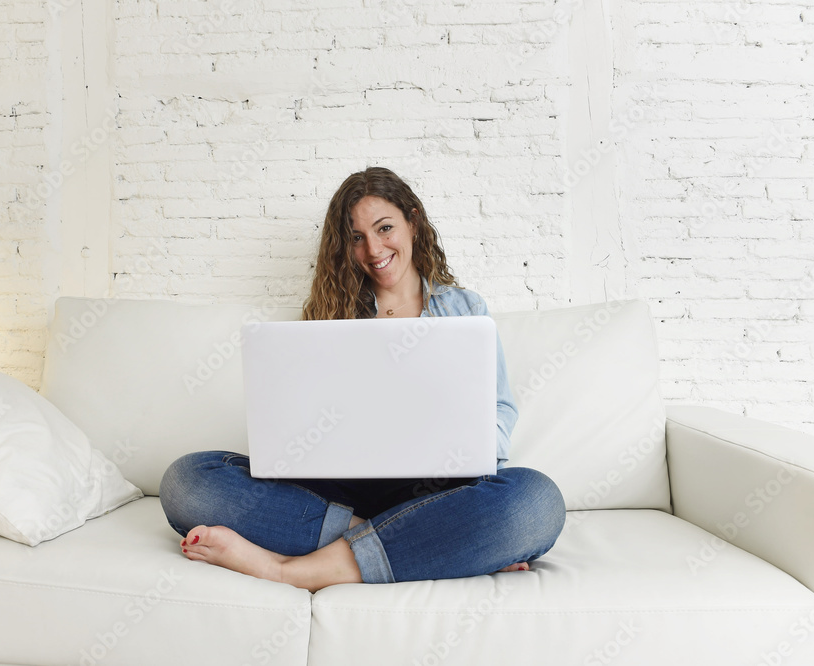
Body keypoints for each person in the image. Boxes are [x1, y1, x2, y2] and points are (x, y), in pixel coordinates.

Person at [159, 166, 565, 592]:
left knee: (537, 502)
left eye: (385, 228)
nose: (373, 249)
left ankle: (288, 570)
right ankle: (425, 541)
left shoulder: (464, 308)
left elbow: (499, 410)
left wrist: (470, 446)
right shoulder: (330, 311)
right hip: (336, 492)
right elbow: (296, 416)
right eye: (357, 237)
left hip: (433, 490)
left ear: (413, 222)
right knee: (186, 481)